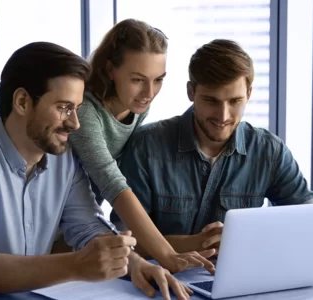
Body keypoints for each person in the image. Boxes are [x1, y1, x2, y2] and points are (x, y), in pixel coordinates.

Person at [0, 41, 197, 299]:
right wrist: (75, 265)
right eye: (63, 108)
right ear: (22, 101)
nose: (74, 123)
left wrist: (137, 264)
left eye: (77, 109)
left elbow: (89, 230)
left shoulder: (63, 160)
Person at [111, 39, 313, 257]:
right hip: (162, 286)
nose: (223, 116)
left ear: (248, 94)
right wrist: (197, 244)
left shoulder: (269, 152)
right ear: (191, 92)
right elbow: (124, 241)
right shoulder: (145, 147)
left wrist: (248, 238)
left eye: (235, 101)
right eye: (211, 101)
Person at [68, 18, 214, 275]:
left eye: (158, 79)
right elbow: (113, 183)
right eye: (137, 79)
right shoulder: (86, 111)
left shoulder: (137, 107)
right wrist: (167, 255)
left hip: (83, 227)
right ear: (111, 70)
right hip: (56, 226)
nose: (149, 92)